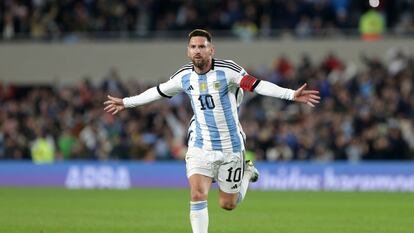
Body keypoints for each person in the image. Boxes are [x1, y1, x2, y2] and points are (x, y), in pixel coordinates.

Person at [104, 29, 320, 233]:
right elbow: (158, 91)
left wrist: (290, 95)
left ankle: (246, 173)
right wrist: (127, 102)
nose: (197, 50)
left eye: (202, 46)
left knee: (228, 204)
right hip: (200, 143)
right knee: (197, 193)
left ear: (211, 50)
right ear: (188, 51)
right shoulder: (183, 76)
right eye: (193, 46)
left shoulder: (229, 71)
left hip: (231, 146)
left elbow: (258, 85)